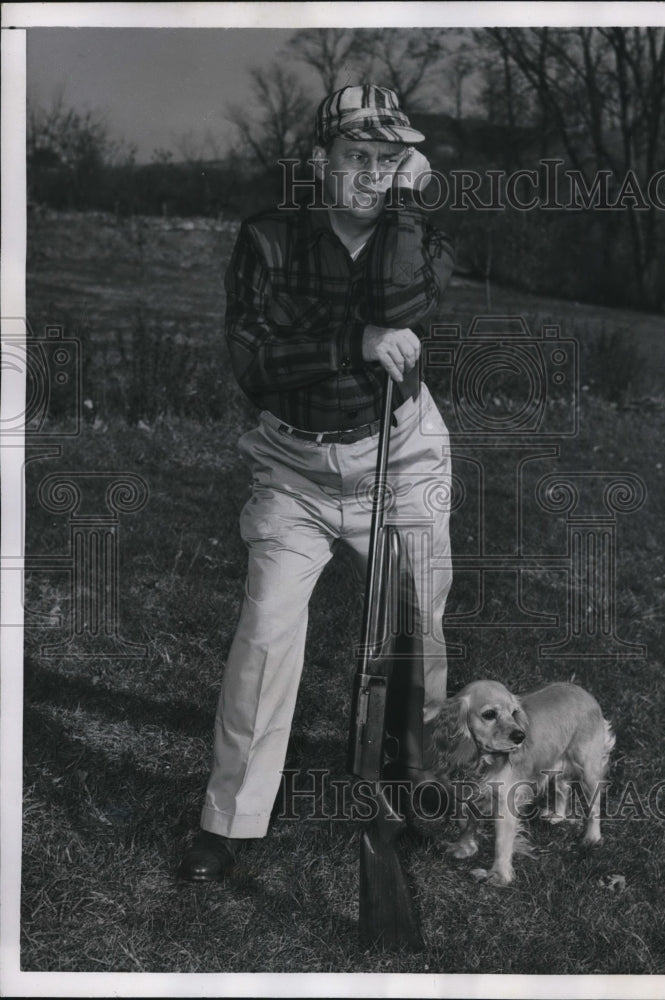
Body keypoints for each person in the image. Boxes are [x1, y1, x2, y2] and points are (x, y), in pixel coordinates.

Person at [178, 84, 455, 882]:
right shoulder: (266, 238)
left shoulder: (423, 240)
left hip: (400, 459)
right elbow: (255, 364)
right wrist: (356, 341)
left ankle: (409, 790)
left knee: (416, 639)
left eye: (387, 160)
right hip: (292, 468)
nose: (370, 173)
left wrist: (404, 206)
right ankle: (229, 823)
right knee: (263, 637)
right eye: (354, 157)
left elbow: (399, 298)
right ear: (318, 161)